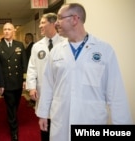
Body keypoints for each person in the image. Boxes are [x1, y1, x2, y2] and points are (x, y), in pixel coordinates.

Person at [37, 3, 133, 141]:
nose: (56, 23)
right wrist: (43, 114)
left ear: (75, 19)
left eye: (60, 18)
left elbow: (116, 93)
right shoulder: (56, 51)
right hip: (61, 120)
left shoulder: (104, 50)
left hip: (91, 120)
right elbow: (48, 86)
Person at [26, 13, 65, 141]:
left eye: (43, 23)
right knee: (45, 124)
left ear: (53, 23)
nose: (40, 26)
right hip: (43, 91)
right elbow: (32, 68)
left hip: (62, 91)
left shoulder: (65, 43)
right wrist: (31, 87)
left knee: (60, 123)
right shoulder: (37, 46)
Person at [0, 22, 27, 141]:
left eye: (9, 29)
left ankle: (13, 119)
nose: (7, 31)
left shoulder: (19, 45)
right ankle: (14, 130)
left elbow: (24, 63)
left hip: (18, 81)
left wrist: (24, 79)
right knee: (10, 106)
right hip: (6, 83)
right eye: (5, 29)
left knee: (15, 105)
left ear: (14, 31)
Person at [24, 33, 36, 107]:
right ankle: (32, 100)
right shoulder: (28, 46)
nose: (24, 40)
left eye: (25, 38)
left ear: (28, 38)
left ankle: (33, 101)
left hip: (31, 67)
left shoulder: (33, 46)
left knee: (33, 85)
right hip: (29, 68)